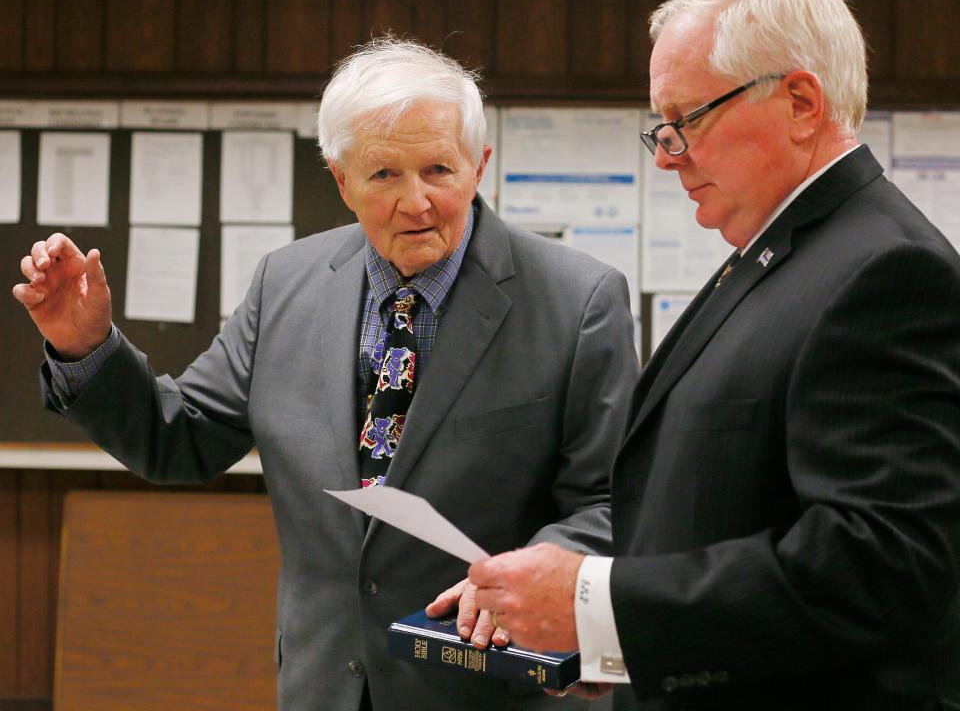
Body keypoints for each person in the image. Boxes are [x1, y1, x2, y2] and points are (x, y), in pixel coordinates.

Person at [12, 39, 641, 711]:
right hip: (324, 684)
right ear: (340, 179)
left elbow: (610, 500)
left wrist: (532, 575)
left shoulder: (578, 300)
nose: (417, 202)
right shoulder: (285, 283)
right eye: (384, 176)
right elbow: (180, 440)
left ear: (479, 164)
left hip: (493, 685)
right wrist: (86, 347)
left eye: (438, 169)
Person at [469, 0, 960, 710]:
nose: (667, 154)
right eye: (661, 128)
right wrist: (574, 579)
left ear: (800, 102)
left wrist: (599, 603)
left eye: (687, 118)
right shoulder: (785, 255)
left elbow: (883, 566)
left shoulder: (885, 270)